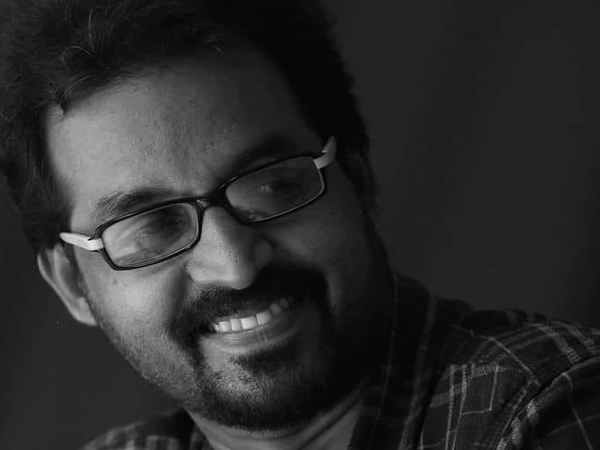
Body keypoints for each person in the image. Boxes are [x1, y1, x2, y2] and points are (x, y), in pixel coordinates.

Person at [1, 0, 600, 449]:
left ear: (359, 180)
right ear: (73, 283)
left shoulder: (548, 406)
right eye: (151, 225)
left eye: (272, 185)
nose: (235, 264)